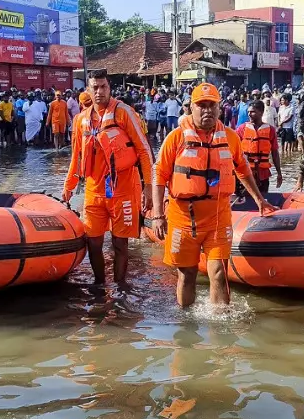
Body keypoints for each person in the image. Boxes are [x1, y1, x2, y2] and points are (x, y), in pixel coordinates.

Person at [151, 83, 277, 307]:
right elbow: (159, 176)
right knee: (187, 274)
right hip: (183, 216)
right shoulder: (176, 138)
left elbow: (243, 169)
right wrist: (158, 215)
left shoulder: (230, 137)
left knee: (219, 272)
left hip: (218, 215)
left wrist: (259, 199)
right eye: (202, 105)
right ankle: (186, 322)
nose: (207, 110)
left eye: (212, 105)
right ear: (191, 107)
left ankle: (221, 324)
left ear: (219, 108)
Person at [63, 70, 154, 286]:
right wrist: (68, 187)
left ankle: (120, 288)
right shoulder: (80, 120)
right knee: (93, 242)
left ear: (109, 88)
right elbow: (76, 157)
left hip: (123, 189)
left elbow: (144, 151)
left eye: (103, 87)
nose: (99, 91)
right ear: (88, 90)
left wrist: (148, 187)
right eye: (95, 87)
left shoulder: (124, 113)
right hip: (94, 191)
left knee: (120, 243)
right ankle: (99, 286)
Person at [235, 100, 282, 195]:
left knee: (263, 197)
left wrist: (279, 173)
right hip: (245, 172)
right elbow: (233, 152)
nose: (249, 114)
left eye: (252, 112)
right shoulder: (241, 129)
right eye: (248, 112)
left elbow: (275, 153)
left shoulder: (271, 130)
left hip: (263, 173)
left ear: (261, 112)